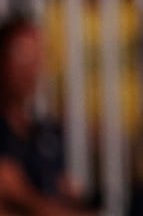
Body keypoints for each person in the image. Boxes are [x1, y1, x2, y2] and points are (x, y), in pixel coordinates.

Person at [0, 13, 98, 216]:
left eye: (38, 55)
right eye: (21, 54)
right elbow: (12, 196)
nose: (30, 66)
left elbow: (64, 190)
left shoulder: (46, 133)